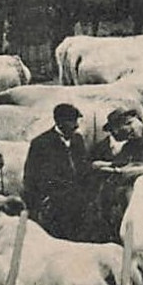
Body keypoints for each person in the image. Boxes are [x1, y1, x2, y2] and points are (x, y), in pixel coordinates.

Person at [23, 103, 91, 240]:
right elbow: (30, 177)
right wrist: (38, 204)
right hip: (54, 203)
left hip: (80, 201)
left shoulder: (78, 140)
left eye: (76, 121)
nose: (76, 125)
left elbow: (84, 169)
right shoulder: (41, 143)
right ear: (60, 122)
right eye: (72, 121)